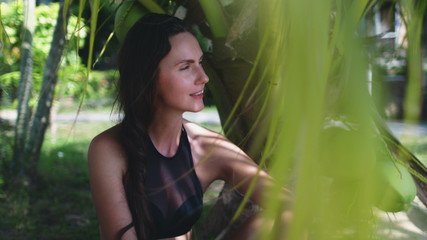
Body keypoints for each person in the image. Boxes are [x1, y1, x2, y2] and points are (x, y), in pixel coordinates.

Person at [88, 13, 287, 240]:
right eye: (185, 67)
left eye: (200, 63)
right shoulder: (108, 149)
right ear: (147, 76)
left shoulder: (206, 146)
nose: (203, 77)